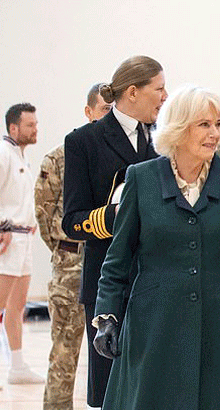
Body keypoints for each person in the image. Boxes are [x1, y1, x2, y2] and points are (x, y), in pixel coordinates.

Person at [91, 86, 220, 409]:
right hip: (154, 325)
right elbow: (116, 259)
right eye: (204, 124)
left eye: (218, 124)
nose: (215, 133)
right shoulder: (141, 179)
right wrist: (107, 316)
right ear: (178, 127)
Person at [62, 55, 166, 409]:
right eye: (160, 89)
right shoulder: (84, 142)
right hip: (109, 280)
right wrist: (118, 215)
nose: (166, 97)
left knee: (155, 386)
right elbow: (71, 221)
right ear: (133, 92)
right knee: (110, 392)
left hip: (160, 279)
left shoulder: (164, 140)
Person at [38, 83, 110, 408]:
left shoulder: (123, 156)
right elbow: (45, 212)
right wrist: (67, 250)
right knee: (65, 356)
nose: (109, 119)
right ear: (89, 112)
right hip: (70, 267)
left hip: (106, 268)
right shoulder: (59, 157)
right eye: (104, 112)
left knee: (108, 355)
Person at [0, 102, 45, 385]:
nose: (35, 129)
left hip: (24, 237)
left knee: (18, 307)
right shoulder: (3, 153)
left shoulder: (20, 157)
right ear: (14, 127)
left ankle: (17, 366)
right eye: (30, 125)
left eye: (36, 124)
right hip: (8, 238)